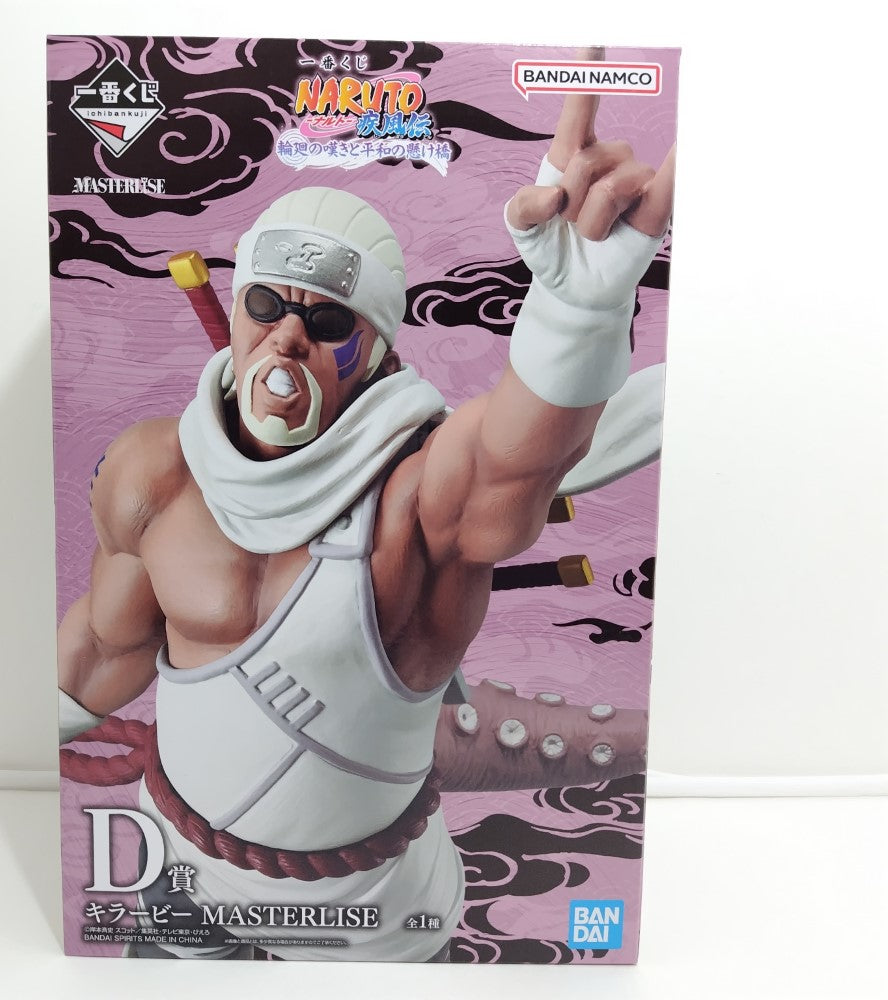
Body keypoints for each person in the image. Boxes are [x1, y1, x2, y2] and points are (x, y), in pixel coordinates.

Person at [57, 85, 675, 962]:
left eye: (326, 320)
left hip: (370, 923)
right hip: (180, 877)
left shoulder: (413, 501)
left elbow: (512, 458)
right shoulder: (153, 471)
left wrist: (573, 315)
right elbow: (102, 648)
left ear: (379, 354)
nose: (286, 339)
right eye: (266, 306)